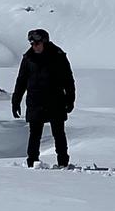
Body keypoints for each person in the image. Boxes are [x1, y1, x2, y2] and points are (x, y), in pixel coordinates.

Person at [11, 29, 75, 168]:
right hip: (35, 101)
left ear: (45, 42)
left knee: (58, 133)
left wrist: (70, 99)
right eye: (32, 43)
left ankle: (63, 162)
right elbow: (21, 80)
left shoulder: (58, 56)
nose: (35, 46)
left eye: (37, 43)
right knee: (34, 134)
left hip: (56, 101)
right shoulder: (28, 58)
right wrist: (16, 100)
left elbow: (68, 80)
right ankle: (32, 163)